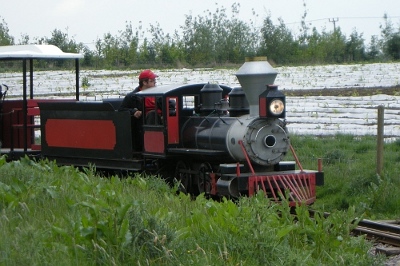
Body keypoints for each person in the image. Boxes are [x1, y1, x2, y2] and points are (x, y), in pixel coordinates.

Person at [119, 69, 158, 150]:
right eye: (152, 81)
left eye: (155, 80)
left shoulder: (157, 94)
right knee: (152, 114)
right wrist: (134, 111)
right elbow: (121, 110)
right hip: (141, 126)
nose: (155, 83)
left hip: (158, 121)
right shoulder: (132, 97)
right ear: (144, 82)